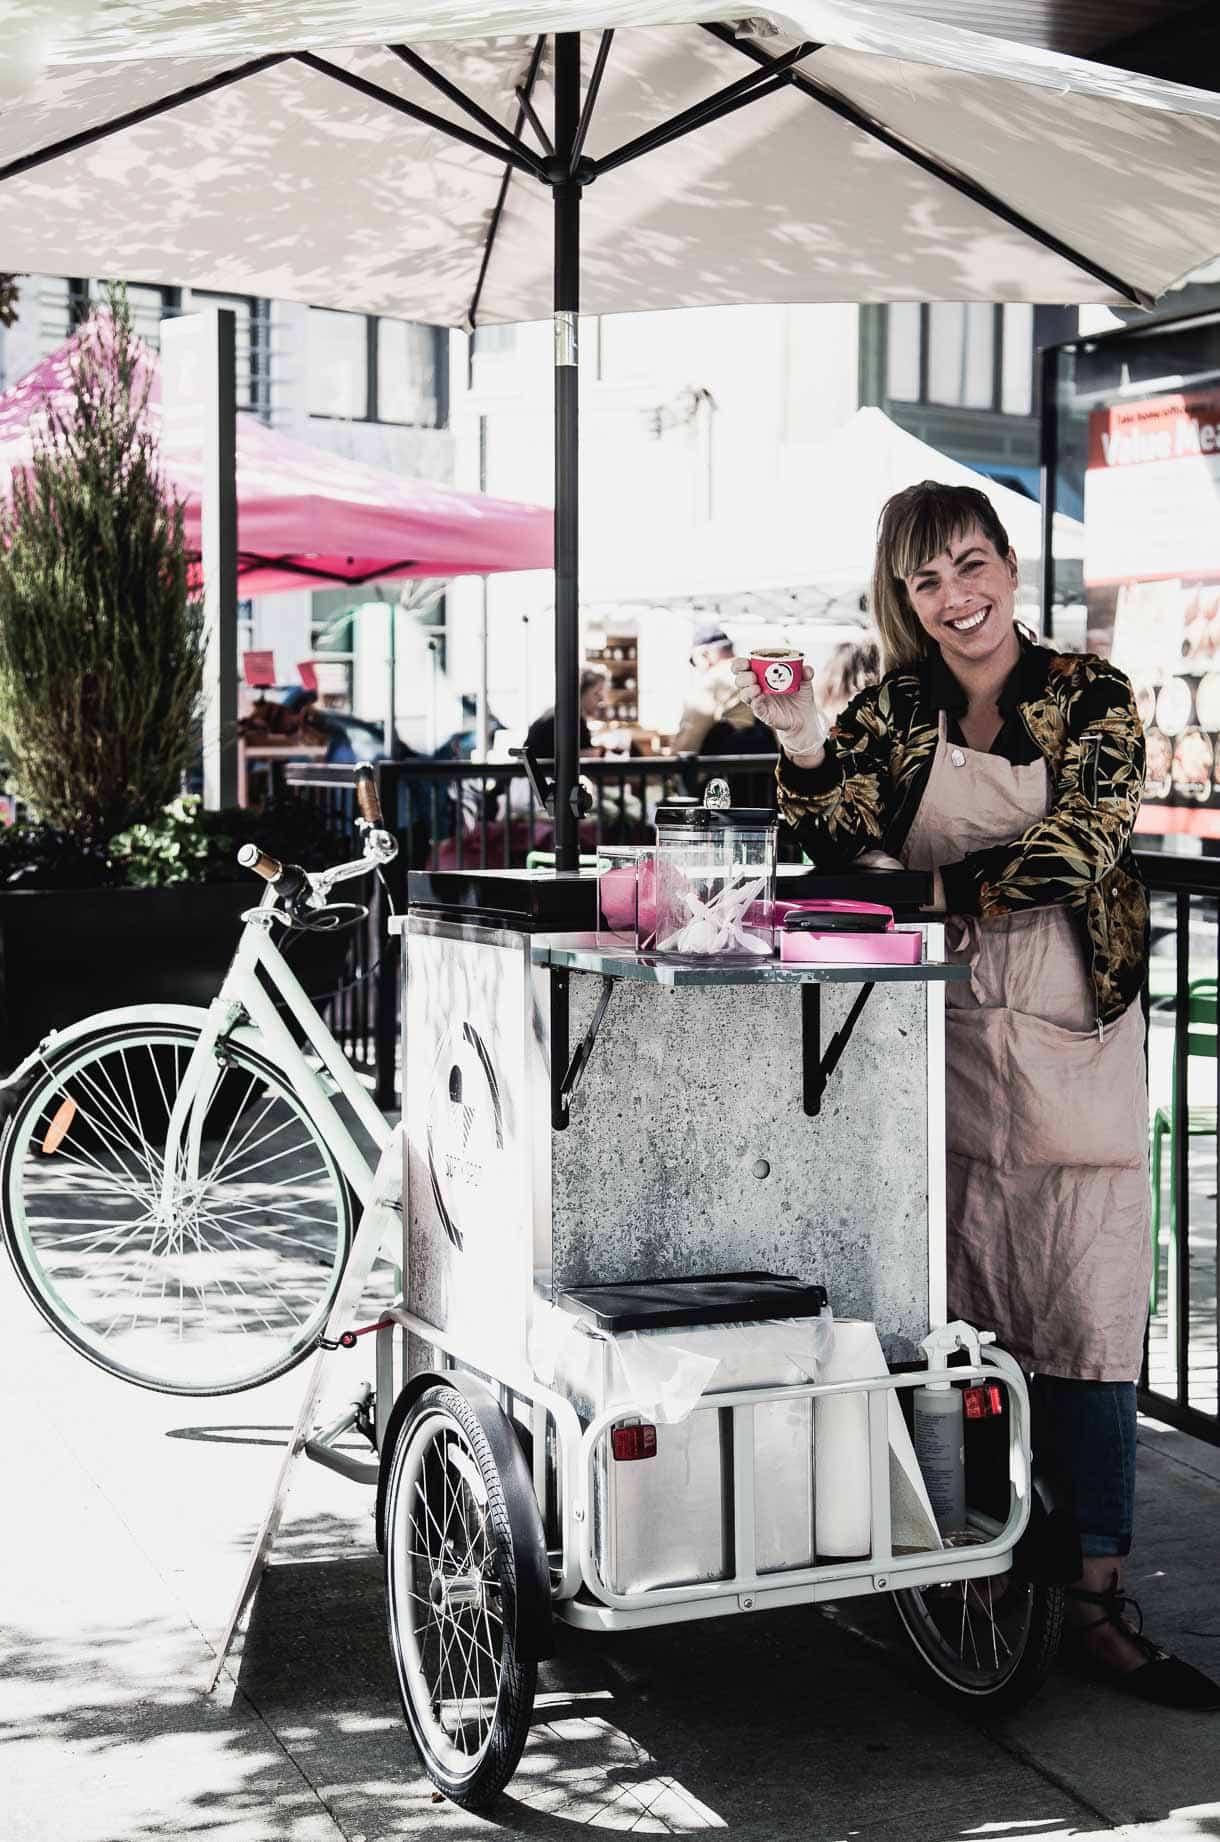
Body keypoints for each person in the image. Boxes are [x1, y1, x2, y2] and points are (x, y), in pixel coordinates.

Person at [733, 480, 1219, 1711]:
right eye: (924, 582)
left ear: (1006, 560)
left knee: (1087, 1309)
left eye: (968, 566)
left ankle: (1099, 1600)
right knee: (945, 1300)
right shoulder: (893, 708)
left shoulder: (1088, 694)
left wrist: (934, 896)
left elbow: (1091, 836)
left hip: (1066, 1020)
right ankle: (967, 1567)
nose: (956, 600)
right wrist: (797, 738)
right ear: (902, 599)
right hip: (930, 1024)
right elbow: (835, 839)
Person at [524, 667, 609, 761]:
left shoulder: (558, 713)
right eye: (596, 693)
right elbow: (583, 757)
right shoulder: (573, 719)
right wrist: (601, 751)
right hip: (541, 773)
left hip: (533, 772)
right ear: (580, 693)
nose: (601, 700)